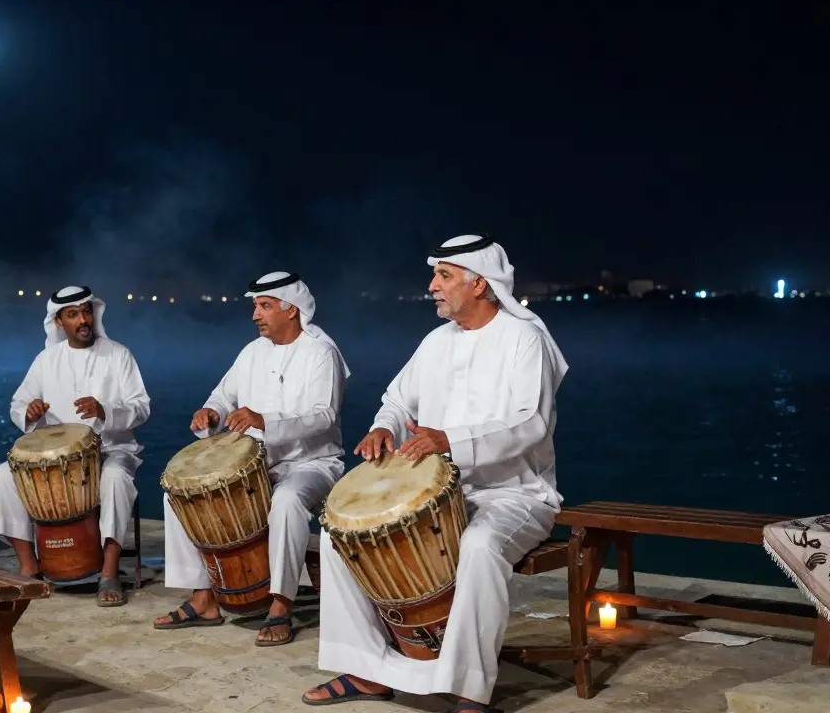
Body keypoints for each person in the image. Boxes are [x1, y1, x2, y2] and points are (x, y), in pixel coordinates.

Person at [302, 235, 569, 712]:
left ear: (480, 284)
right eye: (436, 275)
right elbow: (397, 401)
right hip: (435, 497)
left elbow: (532, 422)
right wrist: (382, 428)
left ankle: (469, 689)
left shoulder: (524, 338)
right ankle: (365, 670)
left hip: (513, 495)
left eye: (444, 276)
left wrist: (449, 439)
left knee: (480, 546)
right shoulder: (436, 342)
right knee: (338, 536)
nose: (432, 285)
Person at [154, 271, 350, 646]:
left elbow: (324, 415)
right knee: (179, 494)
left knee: (287, 500)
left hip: (312, 464)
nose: (255, 315)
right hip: (257, 464)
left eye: (264, 306)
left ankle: (280, 605)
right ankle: (202, 596)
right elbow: (221, 396)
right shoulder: (251, 352)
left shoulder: (321, 352)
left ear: (290, 310)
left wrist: (265, 421)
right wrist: (209, 412)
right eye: (255, 307)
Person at [0, 285, 150, 605]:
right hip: (55, 458)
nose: (83, 320)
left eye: (86, 311)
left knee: (116, 478)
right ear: (59, 322)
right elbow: (18, 403)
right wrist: (28, 412)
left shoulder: (118, 355)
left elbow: (142, 407)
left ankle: (109, 573)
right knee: (2, 476)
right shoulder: (47, 360)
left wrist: (105, 411)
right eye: (73, 314)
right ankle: (29, 565)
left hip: (110, 449)